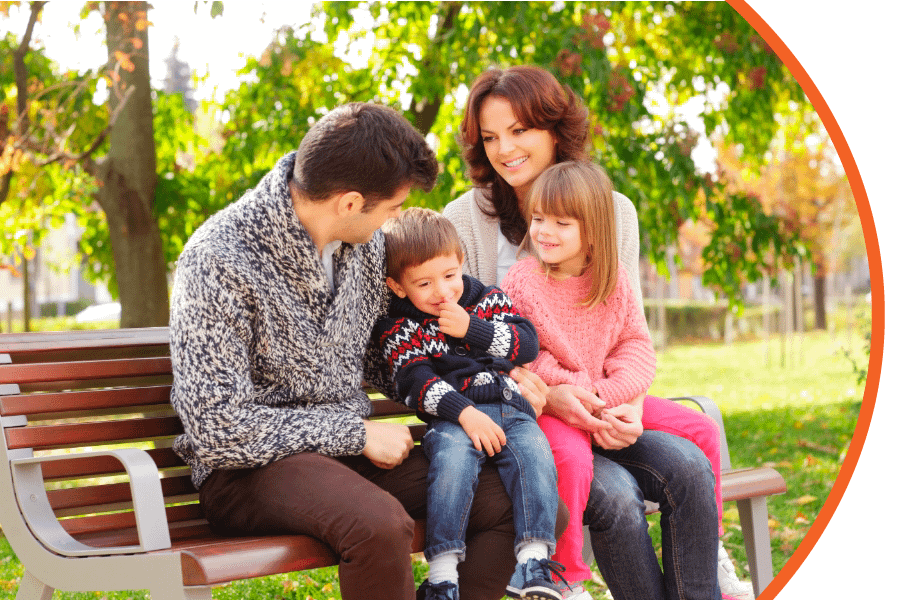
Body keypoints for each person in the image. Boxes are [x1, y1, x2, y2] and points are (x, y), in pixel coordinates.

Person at [168, 102, 565, 600]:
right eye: (394, 209)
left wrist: (490, 384)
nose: (395, 222)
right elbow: (217, 428)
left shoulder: (367, 250)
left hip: (347, 454)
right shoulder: (218, 259)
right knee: (380, 526)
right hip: (249, 469)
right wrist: (354, 434)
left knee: (521, 500)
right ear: (351, 203)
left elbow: (396, 359)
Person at [443, 65, 753, 600]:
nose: (504, 149)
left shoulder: (612, 212)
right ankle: (565, 581)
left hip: (605, 400)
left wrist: (624, 400)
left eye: (519, 130)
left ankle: (706, 572)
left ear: (554, 130)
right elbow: (464, 339)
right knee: (613, 495)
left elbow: (624, 329)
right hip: (525, 414)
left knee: (691, 458)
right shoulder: (464, 221)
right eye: (490, 137)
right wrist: (555, 395)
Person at [373, 207, 567, 600]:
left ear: (461, 261)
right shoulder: (401, 326)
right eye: (424, 283)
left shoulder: (484, 300)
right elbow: (416, 382)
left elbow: (526, 342)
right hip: (454, 419)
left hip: (512, 409)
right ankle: (443, 575)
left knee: (535, 456)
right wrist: (466, 414)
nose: (443, 292)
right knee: (453, 463)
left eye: (449, 275)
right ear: (397, 286)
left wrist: (472, 329)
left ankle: (532, 562)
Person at [502, 160, 657, 596]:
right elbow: (523, 355)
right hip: (554, 405)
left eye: (560, 222)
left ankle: (714, 545)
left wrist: (609, 396)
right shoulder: (524, 280)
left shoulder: (614, 280)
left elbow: (637, 346)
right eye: (537, 219)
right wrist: (577, 393)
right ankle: (564, 577)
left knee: (699, 428)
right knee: (570, 460)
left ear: (591, 231)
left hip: (607, 399)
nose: (544, 231)